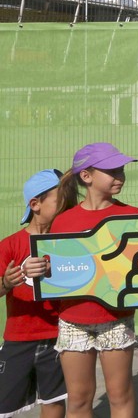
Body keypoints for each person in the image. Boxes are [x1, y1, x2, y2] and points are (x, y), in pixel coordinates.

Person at [51, 143, 138, 418]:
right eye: (112, 170)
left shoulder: (133, 216)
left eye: (122, 169)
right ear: (87, 176)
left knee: (119, 396)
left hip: (117, 318)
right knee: (77, 400)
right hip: (72, 319)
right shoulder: (62, 222)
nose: (120, 176)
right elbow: (55, 273)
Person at [0, 169, 67, 418]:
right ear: (35, 204)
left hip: (59, 336)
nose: (68, 206)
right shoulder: (10, 245)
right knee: (4, 405)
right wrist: (7, 282)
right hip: (19, 338)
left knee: (54, 400)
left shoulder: (67, 243)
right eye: (61, 200)